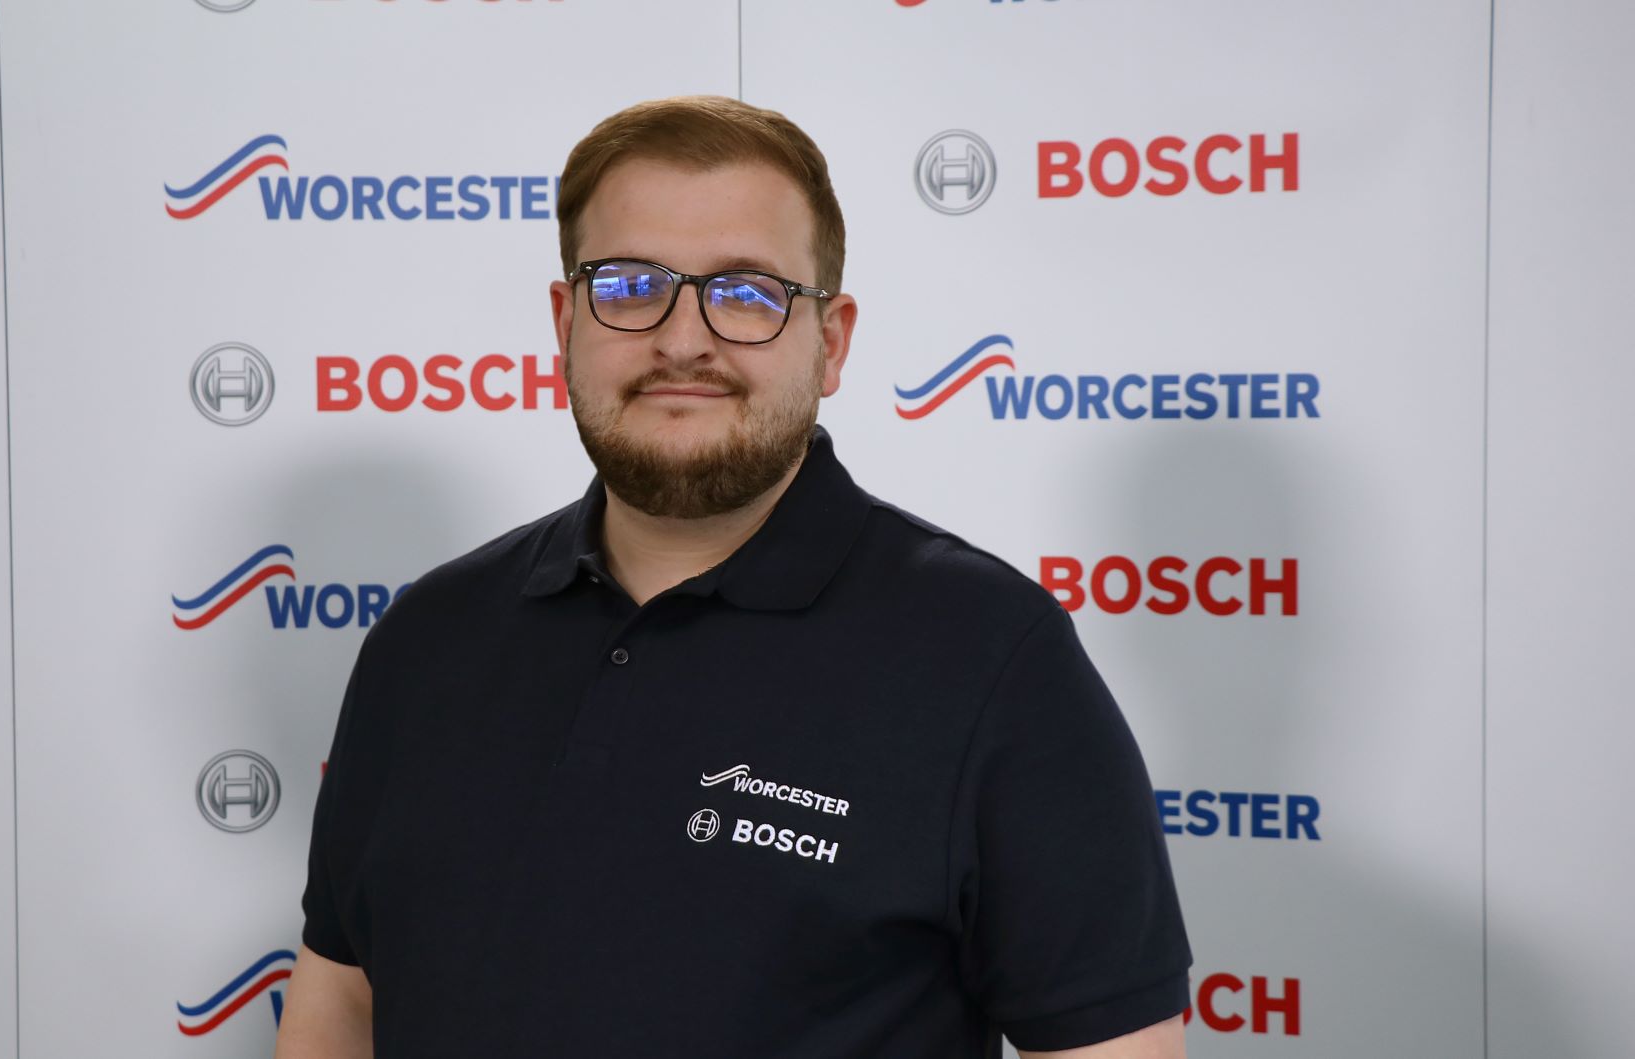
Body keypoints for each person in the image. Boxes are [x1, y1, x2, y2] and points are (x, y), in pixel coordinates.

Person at [276, 96, 1191, 1059]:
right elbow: (340, 1002)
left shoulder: (991, 656)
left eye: (747, 294)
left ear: (830, 342)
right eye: (630, 286)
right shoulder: (427, 639)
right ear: (565, 320)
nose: (682, 340)